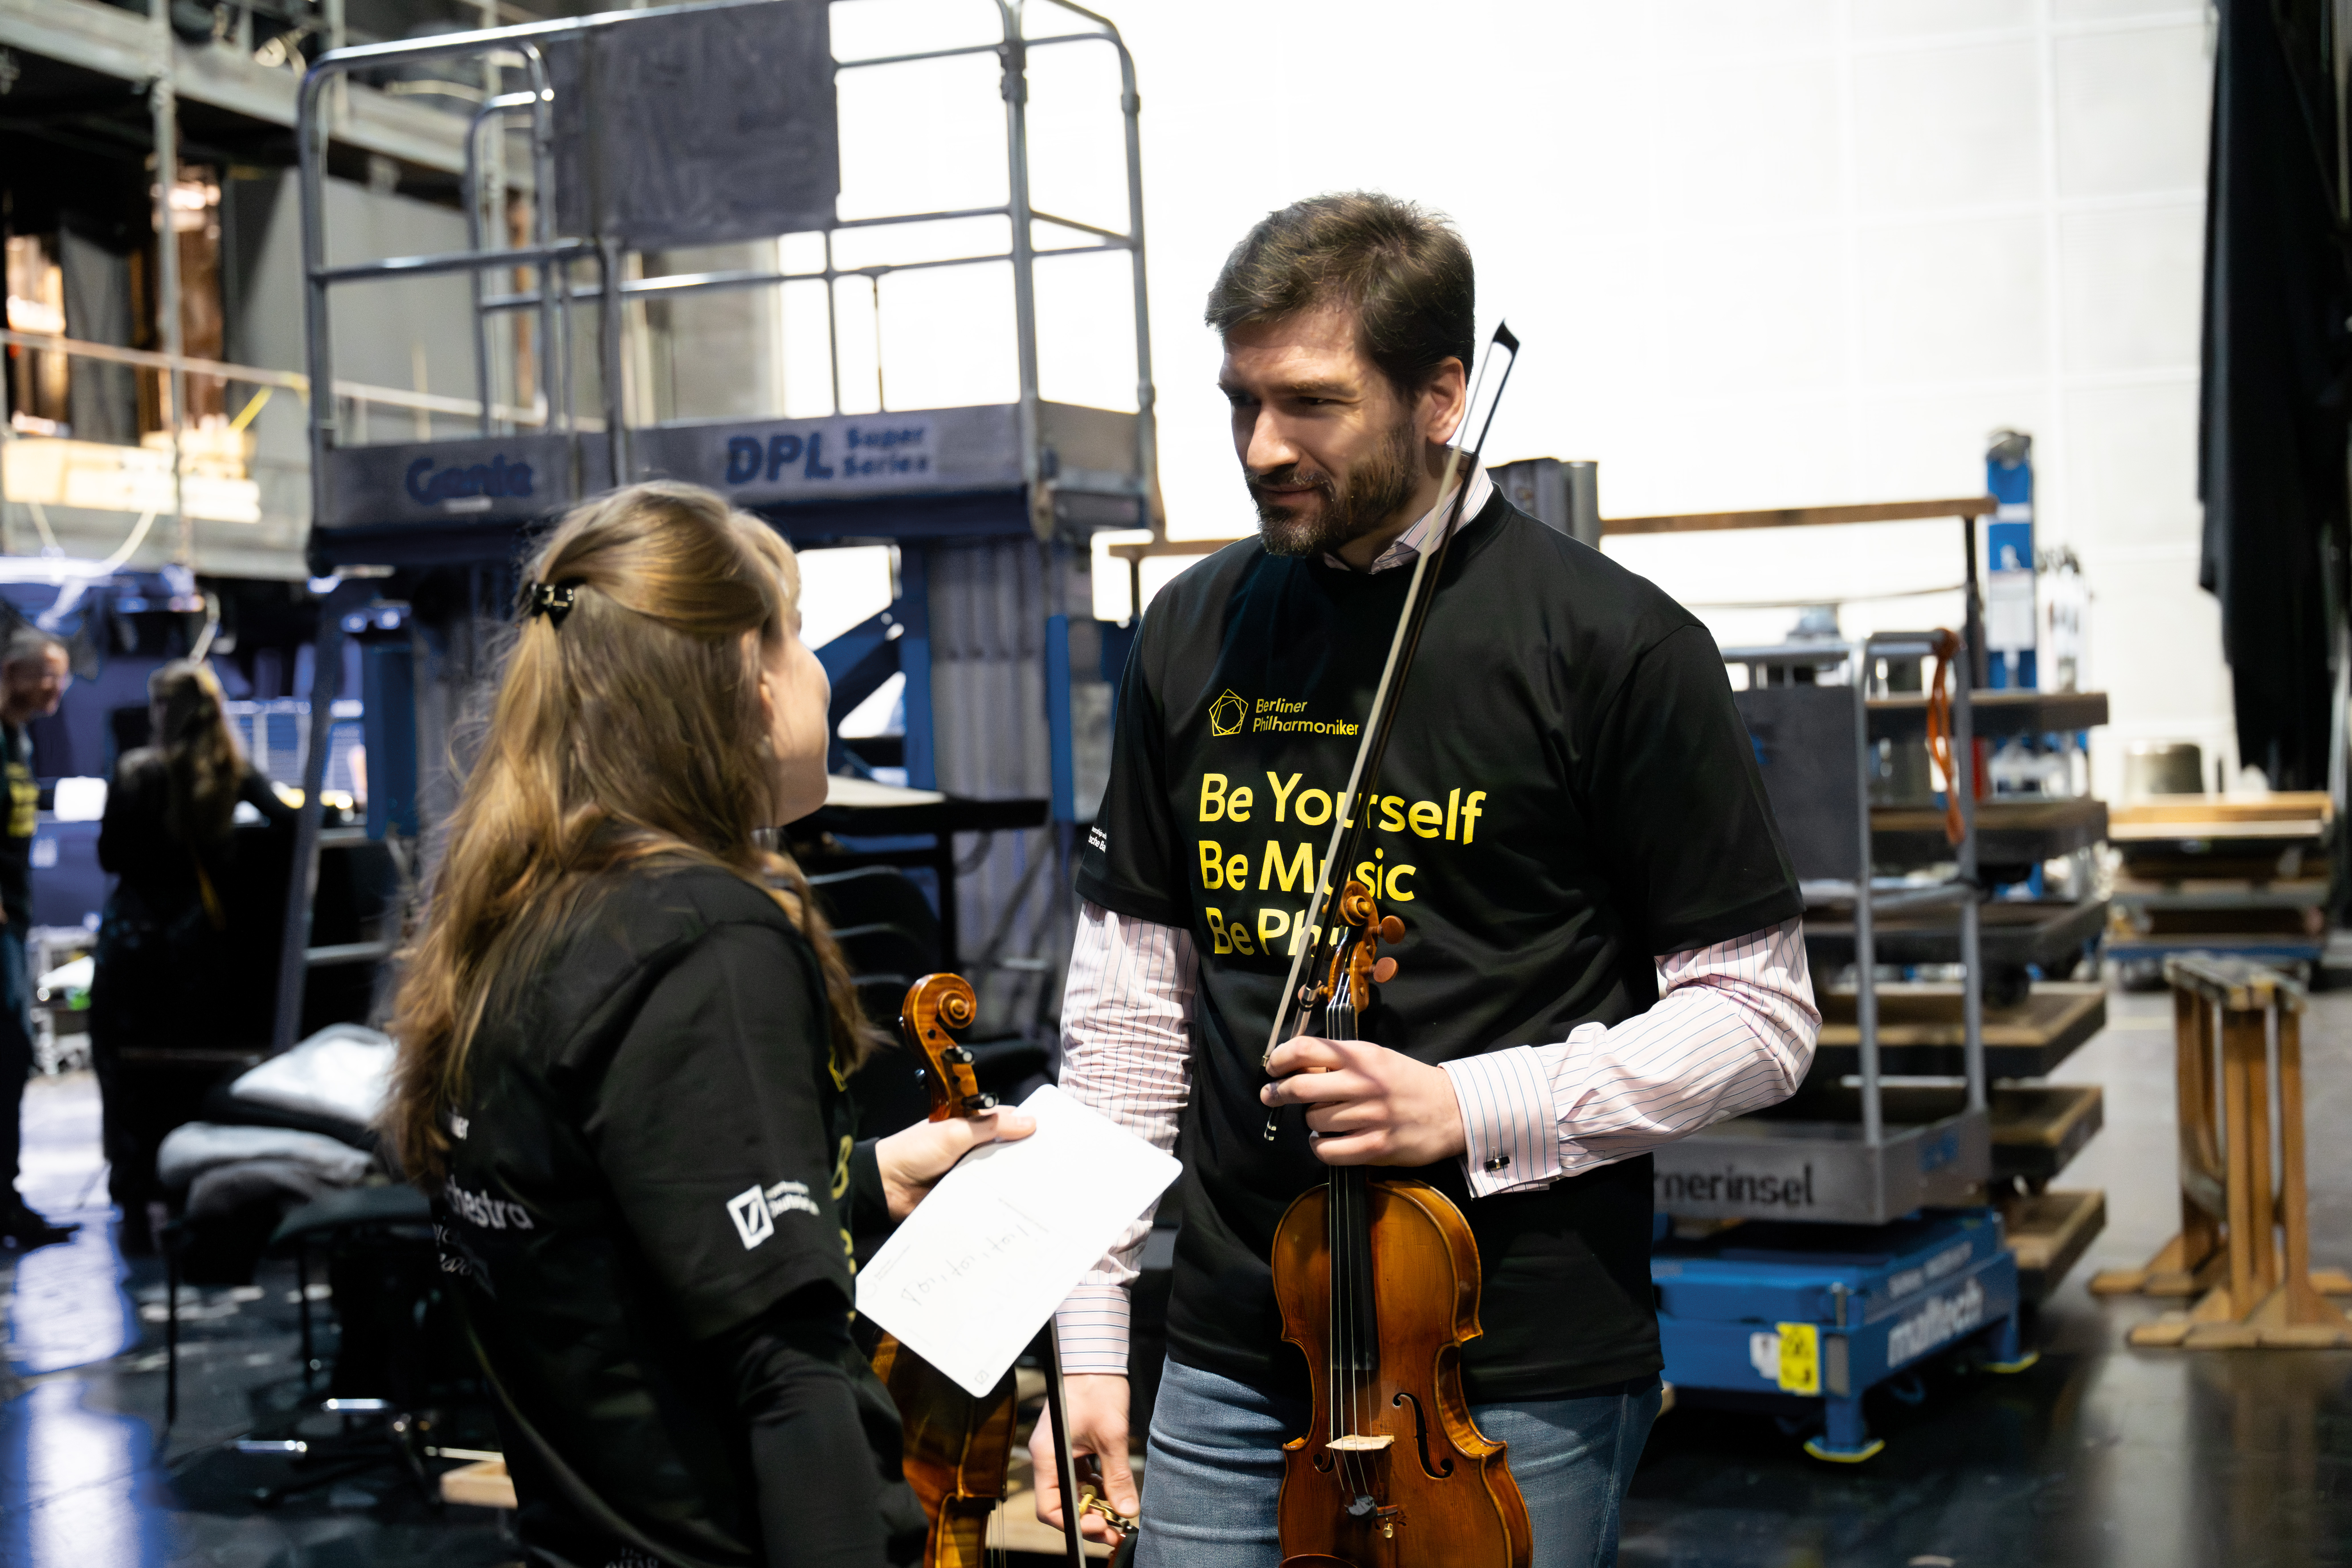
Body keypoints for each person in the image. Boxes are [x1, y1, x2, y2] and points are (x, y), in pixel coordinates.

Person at [1034, 193, 1822, 1566]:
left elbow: (1758, 1019)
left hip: (1505, 1360)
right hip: (1228, 1344)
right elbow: (1127, 1016)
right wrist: (1091, 1338)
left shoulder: (1614, 646)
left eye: (1311, 404)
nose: (1261, 448)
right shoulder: (1192, 630)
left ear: (1441, 394)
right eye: (1238, 402)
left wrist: (1464, 1105)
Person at [384, 482, 1029, 1568]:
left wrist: (869, 1182)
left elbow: (622, 1236)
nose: (821, 670)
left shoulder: (530, 900)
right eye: (802, 636)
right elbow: (787, 1378)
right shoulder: (705, 938)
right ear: (749, 671)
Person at [90, 660, 297, 1253]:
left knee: (125, 1076)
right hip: (196, 947)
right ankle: (189, 1196)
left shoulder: (137, 771)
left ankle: (134, 1205)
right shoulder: (232, 769)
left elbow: (111, 854)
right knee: (188, 1075)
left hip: (134, 943)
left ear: (164, 710)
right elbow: (291, 822)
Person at [0, 627, 76, 1250]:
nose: (57, 687)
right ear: (14, 670)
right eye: (47, 674)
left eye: (62, 675)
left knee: (10, 1061)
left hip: (15, 923)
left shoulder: (19, 734)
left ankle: (7, 1198)